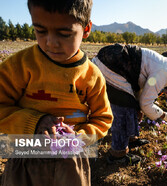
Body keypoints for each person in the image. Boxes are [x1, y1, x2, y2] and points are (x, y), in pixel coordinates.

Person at [0, 0, 113, 185]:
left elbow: (103, 119)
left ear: (86, 29)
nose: (51, 42)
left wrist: (78, 139)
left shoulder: (92, 75)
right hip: (25, 158)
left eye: (64, 33)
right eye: (40, 31)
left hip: (71, 164)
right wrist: (34, 123)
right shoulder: (20, 66)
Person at [92, 43, 167, 165]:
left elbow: (140, 89)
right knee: (124, 110)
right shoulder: (164, 73)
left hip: (114, 63)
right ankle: (118, 155)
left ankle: (131, 140)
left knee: (132, 106)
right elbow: (146, 103)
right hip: (110, 66)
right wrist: (164, 115)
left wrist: (139, 108)